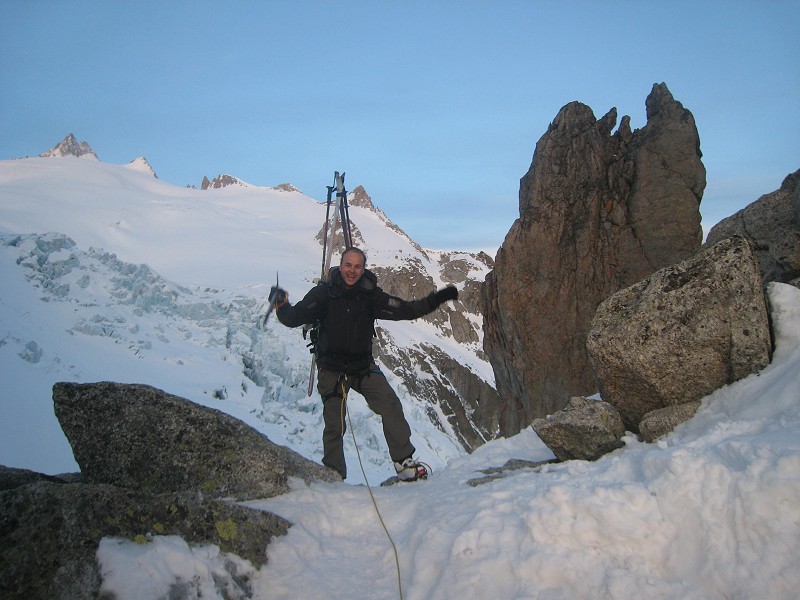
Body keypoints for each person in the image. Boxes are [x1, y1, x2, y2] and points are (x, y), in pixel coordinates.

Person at [272, 247, 458, 481]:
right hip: (332, 368)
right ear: (340, 266)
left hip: (362, 367)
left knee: (390, 404)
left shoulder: (371, 296)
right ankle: (333, 475)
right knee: (334, 424)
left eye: (357, 266)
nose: (352, 271)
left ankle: (404, 463)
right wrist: (281, 304)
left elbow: (408, 310)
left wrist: (438, 297)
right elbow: (294, 317)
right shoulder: (324, 294)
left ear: (363, 269)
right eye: (348, 265)